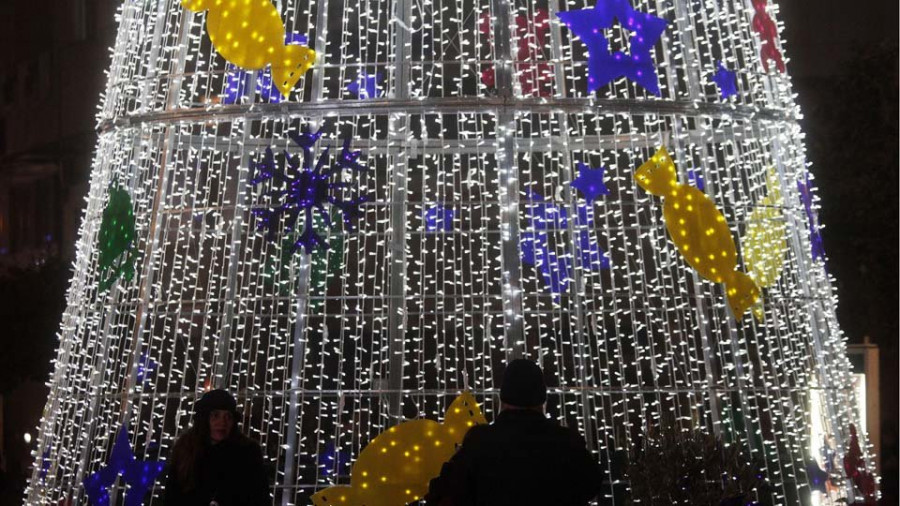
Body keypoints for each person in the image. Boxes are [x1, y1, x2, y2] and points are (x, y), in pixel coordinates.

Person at [425, 359, 601, 506]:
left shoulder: (480, 442)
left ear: (502, 397)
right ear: (542, 398)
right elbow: (591, 486)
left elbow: (446, 491)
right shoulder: (566, 442)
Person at [165, 389, 270, 506]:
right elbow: (172, 496)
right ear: (204, 419)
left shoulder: (248, 452)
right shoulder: (186, 448)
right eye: (215, 415)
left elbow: (260, 498)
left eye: (228, 416)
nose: (222, 422)